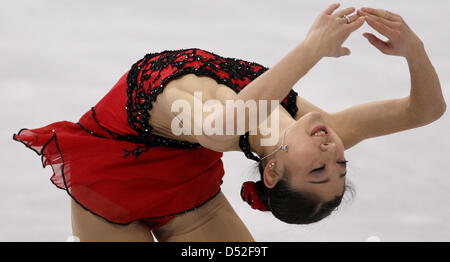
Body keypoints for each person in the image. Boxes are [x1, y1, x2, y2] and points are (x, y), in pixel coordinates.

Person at [13, 3, 446, 242]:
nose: (334, 153)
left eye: (318, 170)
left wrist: (313, 49)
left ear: (272, 170)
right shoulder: (306, 124)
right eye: (341, 166)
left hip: (183, 187)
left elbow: (231, 120)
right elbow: (425, 111)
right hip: (114, 183)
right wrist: (415, 50)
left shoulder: (221, 130)